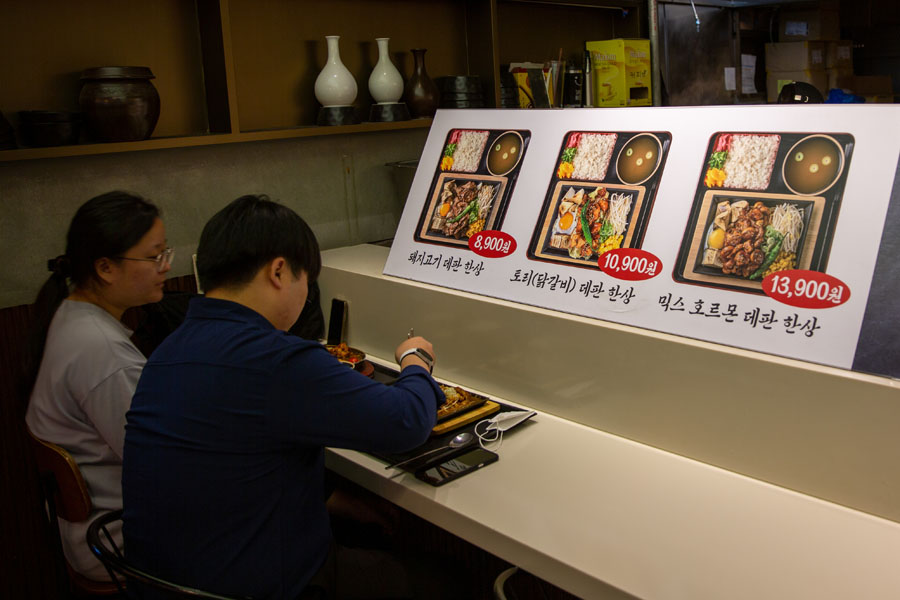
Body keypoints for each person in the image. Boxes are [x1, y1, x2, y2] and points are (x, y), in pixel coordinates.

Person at [122, 195, 444, 599]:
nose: (306, 294)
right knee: (447, 580)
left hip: (163, 584)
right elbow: (407, 421)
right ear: (278, 271)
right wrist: (416, 360)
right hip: (261, 587)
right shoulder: (272, 358)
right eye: (305, 279)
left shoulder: (168, 349)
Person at [22, 191, 172, 580]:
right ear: (105, 267)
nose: (166, 266)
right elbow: (162, 464)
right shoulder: (102, 351)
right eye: (155, 256)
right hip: (116, 536)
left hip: (92, 527)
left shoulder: (72, 313)